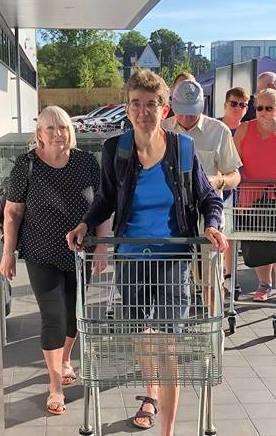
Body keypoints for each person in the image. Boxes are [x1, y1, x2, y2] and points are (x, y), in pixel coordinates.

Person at [66, 69, 228, 436]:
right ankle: (150, 391)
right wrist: (84, 225)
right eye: (136, 104)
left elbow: (208, 197)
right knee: (142, 333)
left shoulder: (183, 149)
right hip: (131, 259)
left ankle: (166, 431)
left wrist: (213, 224)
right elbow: (106, 199)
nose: (143, 111)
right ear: (127, 108)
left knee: (168, 344)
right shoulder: (116, 150)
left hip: (173, 258)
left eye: (151, 104)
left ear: (164, 107)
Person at [0, 106, 109, 415]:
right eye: (51, 128)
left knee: (73, 317)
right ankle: (56, 386)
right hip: (40, 254)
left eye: (62, 127)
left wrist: (101, 247)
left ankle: (64, 359)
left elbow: (102, 205)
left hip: (80, 255)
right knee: (54, 318)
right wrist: (8, 252)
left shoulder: (86, 162)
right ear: (40, 134)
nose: (58, 133)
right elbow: (12, 212)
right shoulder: (27, 164)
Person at [234, 88, 276, 301]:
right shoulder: (244, 130)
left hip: (274, 198)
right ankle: (264, 284)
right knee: (258, 246)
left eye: (269, 108)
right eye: (259, 107)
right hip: (250, 198)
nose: (263, 112)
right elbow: (232, 161)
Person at [219, 87, 249, 292]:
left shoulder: (247, 129)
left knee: (231, 234)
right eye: (234, 103)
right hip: (218, 188)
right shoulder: (216, 127)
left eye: (242, 104)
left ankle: (229, 276)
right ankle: (216, 275)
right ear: (225, 104)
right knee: (219, 233)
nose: (238, 108)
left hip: (241, 190)